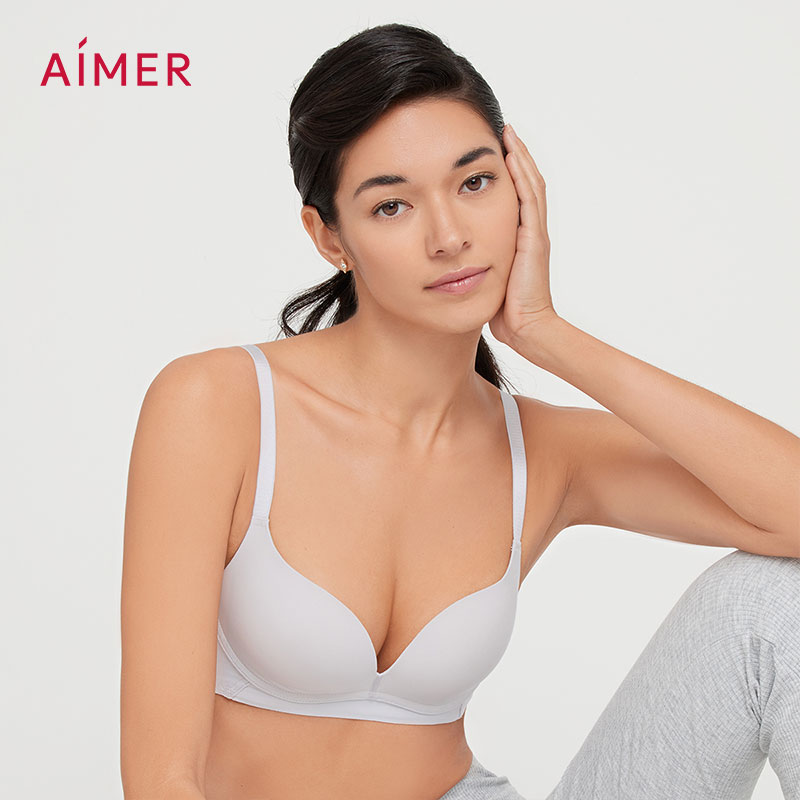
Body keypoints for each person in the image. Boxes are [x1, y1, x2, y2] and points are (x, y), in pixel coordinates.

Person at [119, 22, 800, 800]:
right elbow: (162, 777)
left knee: (776, 605)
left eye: (474, 183)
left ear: (521, 190)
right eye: (391, 206)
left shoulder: (544, 452)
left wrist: (548, 334)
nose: (449, 237)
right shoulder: (217, 406)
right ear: (329, 236)